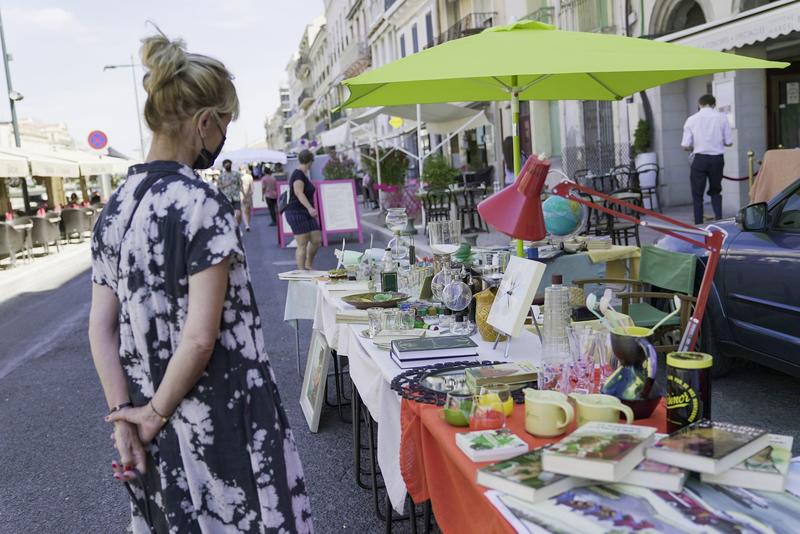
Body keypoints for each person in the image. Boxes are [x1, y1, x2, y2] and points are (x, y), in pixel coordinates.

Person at [88, 28, 312, 533]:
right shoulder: (202, 205)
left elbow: (100, 327)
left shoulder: (114, 209)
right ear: (204, 122)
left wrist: (129, 414)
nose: (224, 137)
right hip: (223, 417)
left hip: (151, 421)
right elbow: (200, 337)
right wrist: (154, 413)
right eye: (225, 124)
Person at [681, 94, 733, 224]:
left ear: (699, 104)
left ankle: (698, 224)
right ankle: (719, 221)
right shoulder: (722, 118)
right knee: (716, 191)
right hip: (717, 159)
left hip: (699, 159)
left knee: (697, 194)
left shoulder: (691, 119)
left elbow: (685, 145)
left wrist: (696, 145)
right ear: (714, 104)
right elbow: (729, 142)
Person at [284, 150, 321, 269]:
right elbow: (299, 193)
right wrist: (310, 208)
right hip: (296, 211)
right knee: (302, 243)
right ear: (310, 161)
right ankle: (302, 272)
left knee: (316, 239)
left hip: (305, 211)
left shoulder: (303, 174)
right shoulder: (298, 175)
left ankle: (308, 263)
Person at [218, 158, 243, 225]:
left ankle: (237, 227)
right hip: (226, 198)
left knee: (238, 214)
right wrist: (225, 185)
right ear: (224, 166)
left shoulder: (236, 174)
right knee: (229, 215)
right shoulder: (221, 176)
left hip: (236, 197)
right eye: (226, 165)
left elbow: (240, 185)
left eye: (229, 165)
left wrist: (244, 195)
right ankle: (233, 228)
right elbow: (218, 187)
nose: (228, 166)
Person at [239, 164, 254, 231]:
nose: (242, 171)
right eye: (241, 169)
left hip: (248, 196)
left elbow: (252, 187)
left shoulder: (249, 177)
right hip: (242, 195)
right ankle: (247, 225)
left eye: (243, 169)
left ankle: (247, 223)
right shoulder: (239, 177)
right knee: (244, 210)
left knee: (248, 210)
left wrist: (249, 194)